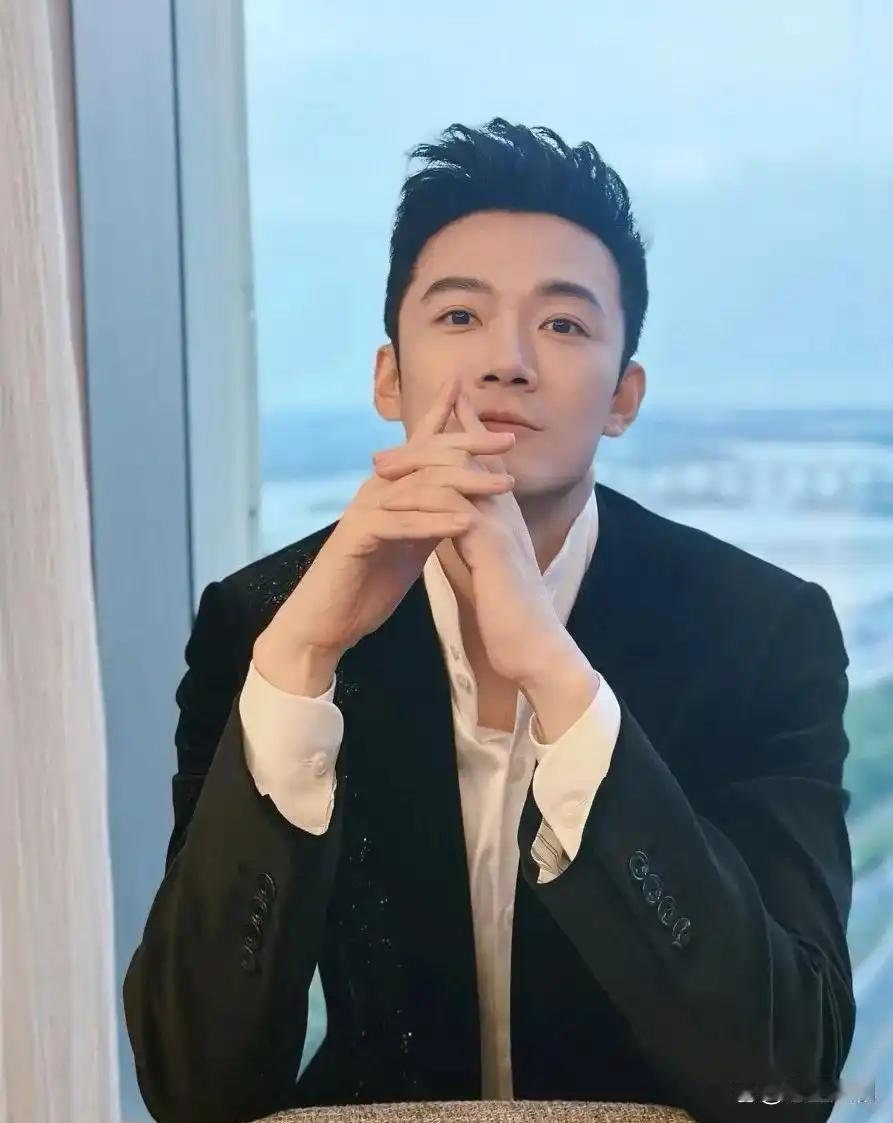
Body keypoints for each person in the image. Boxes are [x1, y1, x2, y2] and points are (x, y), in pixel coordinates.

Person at [123, 118, 855, 1123]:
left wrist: (558, 679)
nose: (506, 361)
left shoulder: (760, 631)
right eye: (460, 315)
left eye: (562, 325)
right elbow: (192, 1090)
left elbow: (785, 1083)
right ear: (389, 376)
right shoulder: (261, 621)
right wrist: (298, 665)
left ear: (622, 397)